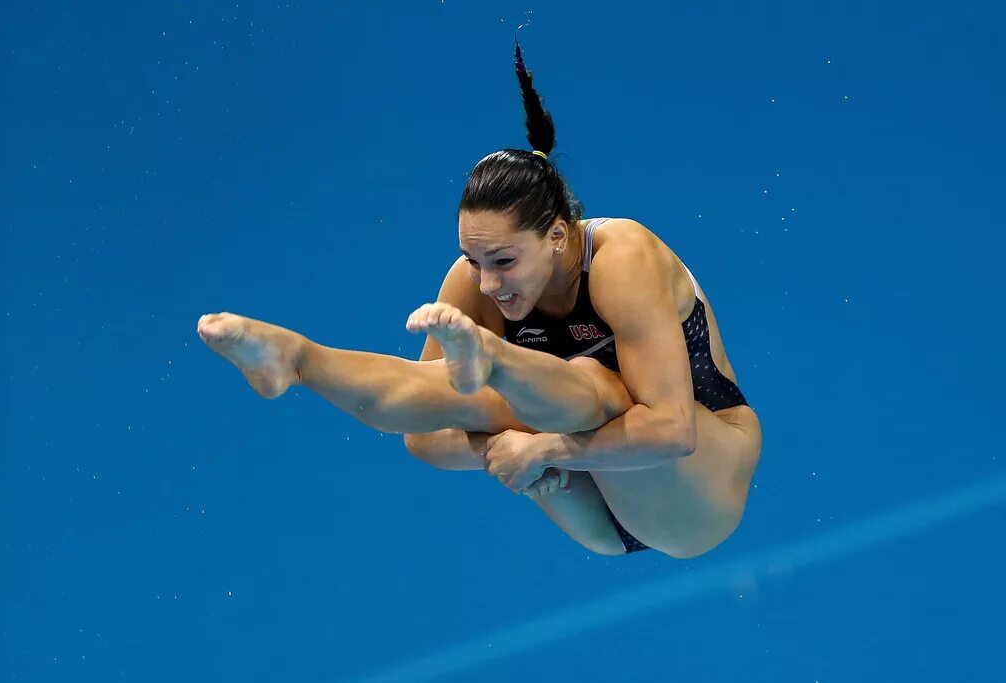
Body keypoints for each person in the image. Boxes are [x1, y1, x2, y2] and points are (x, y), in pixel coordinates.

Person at [197, 41, 762, 557]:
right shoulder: (472, 284)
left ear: (558, 236)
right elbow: (422, 438)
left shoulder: (621, 259)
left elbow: (671, 431)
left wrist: (544, 449)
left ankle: (496, 363)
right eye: (475, 261)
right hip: (592, 503)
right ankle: (297, 360)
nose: (488, 283)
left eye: (505, 262)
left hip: (696, 487)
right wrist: (509, 444)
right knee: (475, 399)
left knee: (594, 387)